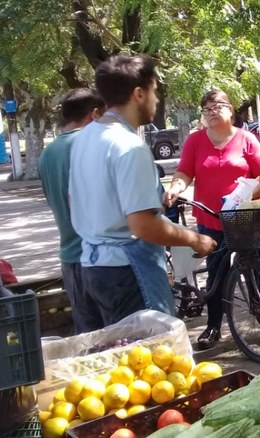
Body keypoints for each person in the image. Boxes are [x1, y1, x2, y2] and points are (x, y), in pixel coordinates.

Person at [69, 55, 216, 327]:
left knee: (119, 359)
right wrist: (194, 239)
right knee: (151, 359)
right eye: (154, 91)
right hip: (127, 271)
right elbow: (142, 225)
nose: (156, 100)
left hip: (92, 267)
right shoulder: (128, 146)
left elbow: (72, 201)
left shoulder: (84, 137)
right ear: (139, 94)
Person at [165, 89, 260, 349]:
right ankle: (213, 326)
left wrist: (244, 195)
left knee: (254, 267)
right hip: (209, 217)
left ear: (231, 109)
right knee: (215, 273)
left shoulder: (247, 139)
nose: (211, 112)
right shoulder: (195, 141)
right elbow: (185, 171)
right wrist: (176, 187)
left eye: (217, 106)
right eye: (206, 109)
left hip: (242, 215)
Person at [39, 88, 106, 333]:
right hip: (102, 259)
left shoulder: (47, 154)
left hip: (70, 258)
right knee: (120, 339)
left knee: (89, 337)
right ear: (94, 114)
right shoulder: (90, 145)